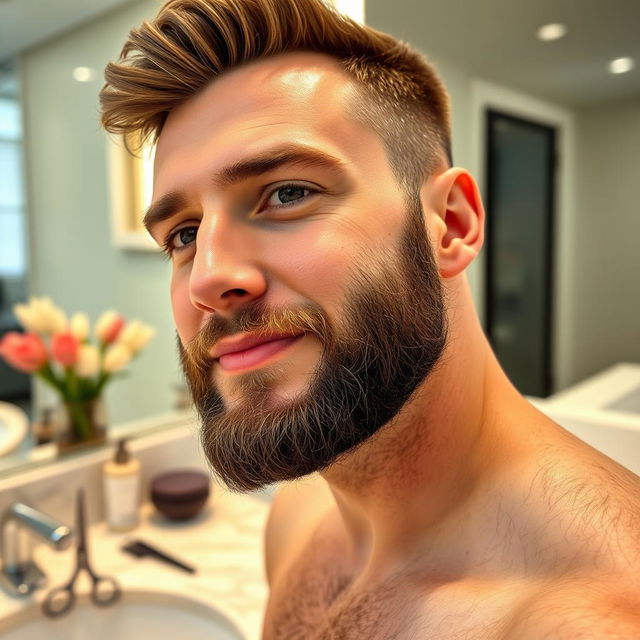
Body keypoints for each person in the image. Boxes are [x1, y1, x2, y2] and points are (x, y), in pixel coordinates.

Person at [100, 0, 640, 637]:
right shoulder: (300, 511)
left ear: (452, 225)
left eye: (288, 193)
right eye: (184, 234)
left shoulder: (591, 617)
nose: (210, 278)